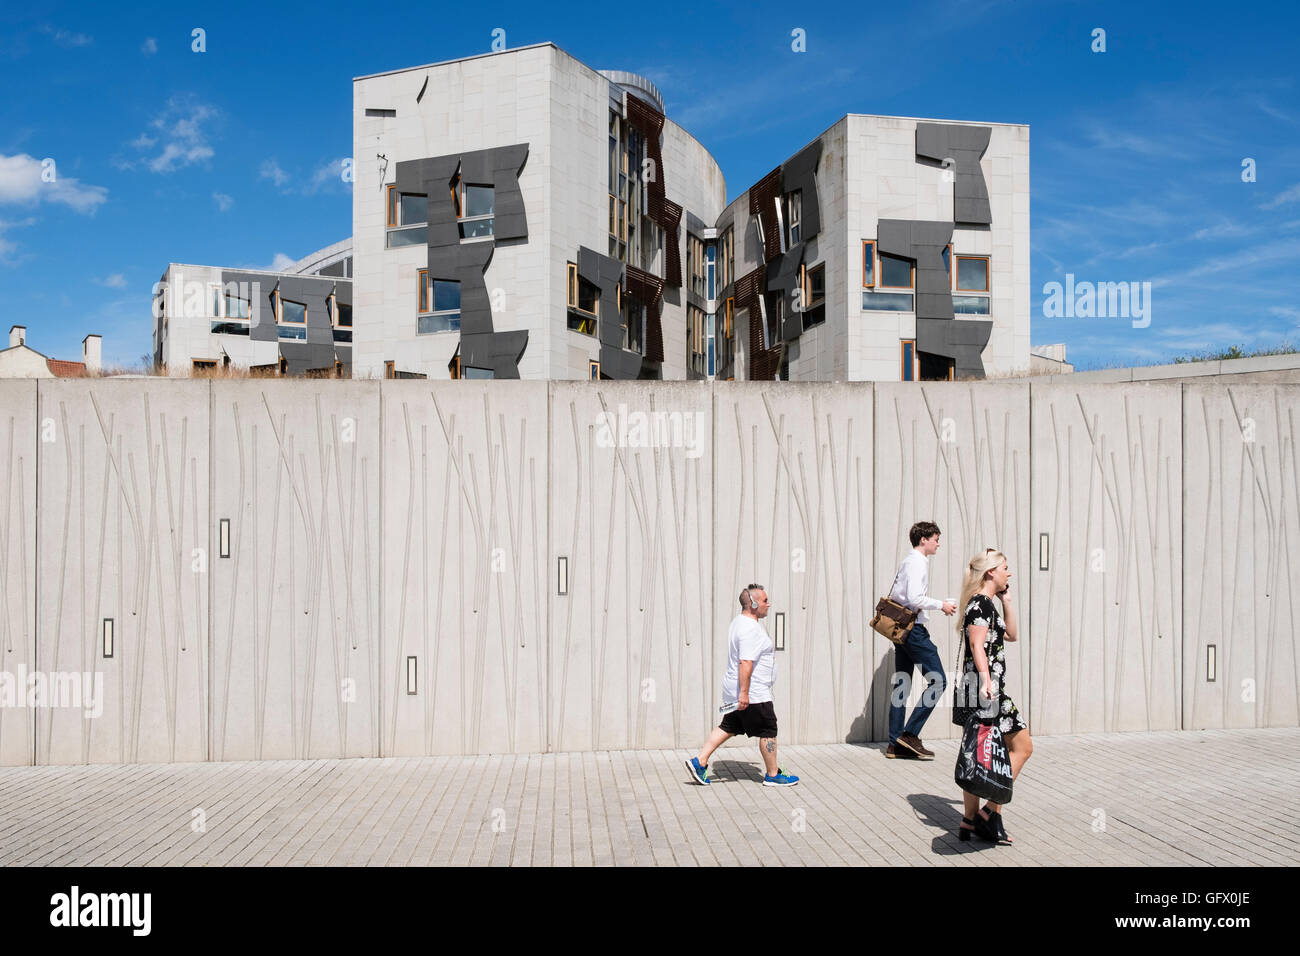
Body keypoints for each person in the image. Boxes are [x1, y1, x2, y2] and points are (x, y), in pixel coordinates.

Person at [685, 584, 800, 787]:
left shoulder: (739, 622)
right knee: (768, 729)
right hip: (753, 692)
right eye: (765, 600)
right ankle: (773, 775)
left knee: (730, 725)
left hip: (739, 689)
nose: (768, 603)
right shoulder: (749, 629)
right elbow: (745, 662)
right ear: (754, 604)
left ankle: (699, 761)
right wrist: (745, 694)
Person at [956, 549, 1032, 845]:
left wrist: (1008, 602)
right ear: (991, 573)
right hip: (984, 691)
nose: (1008, 573)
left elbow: (1011, 635)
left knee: (979, 754)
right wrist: (987, 681)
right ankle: (989, 812)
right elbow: (976, 646)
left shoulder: (988, 604)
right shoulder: (978, 605)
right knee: (1023, 746)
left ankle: (971, 819)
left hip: (982, 690)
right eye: (1005, 568)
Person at [885, 521, 956, 759]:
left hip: (901, 630)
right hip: (913, 630)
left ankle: (894, 744)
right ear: (923, 539)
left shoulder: (908, 561)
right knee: (939, 681)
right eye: (936, 538)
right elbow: (915, 598)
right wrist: (942, 605)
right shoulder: (917, 562)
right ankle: (910, 735)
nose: (938, 543)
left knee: (902, 684)